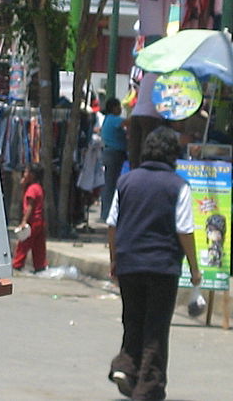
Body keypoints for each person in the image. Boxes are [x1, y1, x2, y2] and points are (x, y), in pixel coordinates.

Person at [106, 126, 201, 400]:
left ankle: (126, 366)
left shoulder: (126, 181)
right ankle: (148, 389)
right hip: (162, 267)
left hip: (129, 264)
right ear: (174, 155)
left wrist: (115, 259)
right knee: (155, 329)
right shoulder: (178, 186)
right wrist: (194, 268)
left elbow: (112, 224)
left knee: (133, 320)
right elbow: (184, 229)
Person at [12, 162, 47, 272]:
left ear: (32, 175)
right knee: (38, 246)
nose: (24, 174)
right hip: (40, 221)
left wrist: (24, 221)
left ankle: (17, 264)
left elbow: (30, 207)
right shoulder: (38, 187)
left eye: (27, 172)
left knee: (23, 244)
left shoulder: (32, 189)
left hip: (32, 221)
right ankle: (40, 266)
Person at [127, 72, 165, 169]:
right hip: (151, 114)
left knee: (134, 150)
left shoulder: (146, 77)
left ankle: (134, 173)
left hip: (136, 113)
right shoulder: (163, 78)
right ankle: (145, 171)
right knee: (147, 148)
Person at [100, 97, 127, 222]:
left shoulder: (108, 120)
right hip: (114, 154)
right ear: (113, 108)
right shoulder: (113, 119)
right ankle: (106, 214)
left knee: (109, 184)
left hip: (111, 153)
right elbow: (128, 122)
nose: (120, 109)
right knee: (110, 185)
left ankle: (107, 212)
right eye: (118, 107)